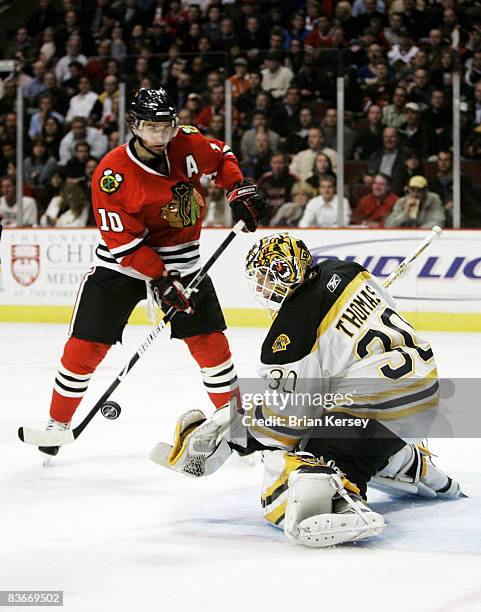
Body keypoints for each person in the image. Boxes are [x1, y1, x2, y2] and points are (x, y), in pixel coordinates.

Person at [153, 233, 463, 548]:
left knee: (289, 465)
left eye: (266, 276)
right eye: (259, 278)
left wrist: (235, 433)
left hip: (378, 413)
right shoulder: (346, 270)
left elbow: (284, 427)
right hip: (424, 393)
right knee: (330, 414)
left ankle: (341, 499)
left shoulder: (288, 334)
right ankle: (406, 464)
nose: (263, 285)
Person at [37, 88, 268, 462]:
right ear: (134, 126)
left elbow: (221, 155)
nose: (160, 137)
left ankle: (238, 431)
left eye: (166, 127)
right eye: (151, 128)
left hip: (184, 262)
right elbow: (122, 243)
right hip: (122, 266)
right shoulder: (112, 174)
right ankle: (57, 423)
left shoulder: (187, 143)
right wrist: (161, 281)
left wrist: (237, 188)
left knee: (212, 347)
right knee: (85, 347)